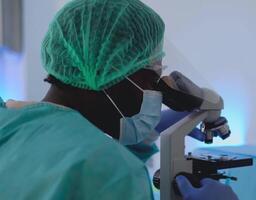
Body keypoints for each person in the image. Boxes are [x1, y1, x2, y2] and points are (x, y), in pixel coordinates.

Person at [0, 0, 238, 199]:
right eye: (150, 80)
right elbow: (98, 173)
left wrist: (141, 141)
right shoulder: (106, 169)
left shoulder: (8, 122)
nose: (154, 96)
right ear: (107, 71)